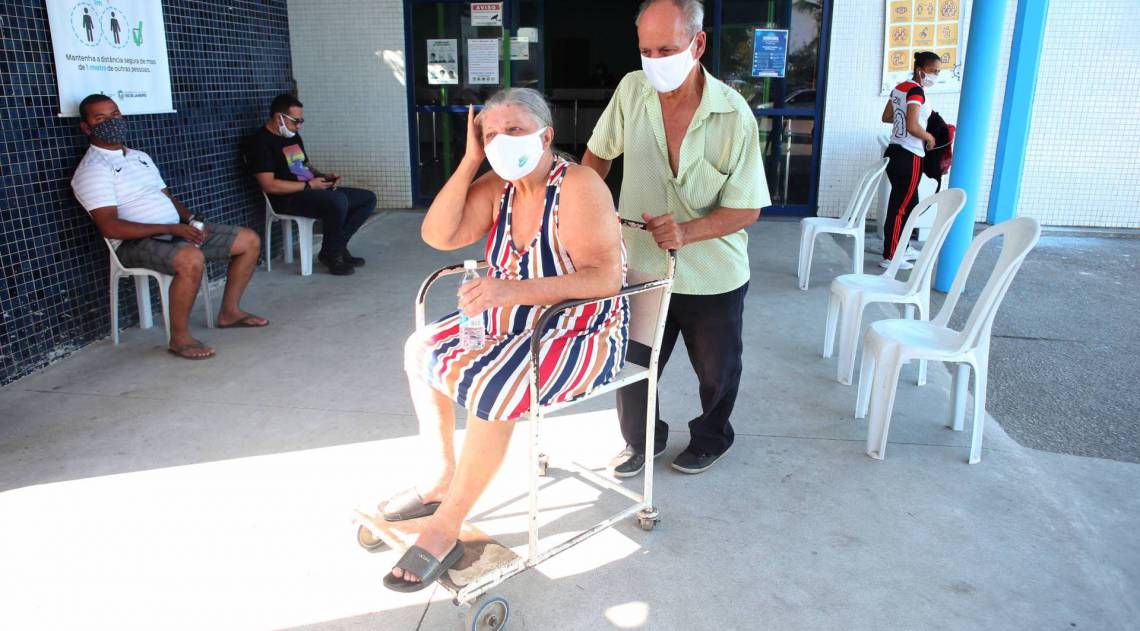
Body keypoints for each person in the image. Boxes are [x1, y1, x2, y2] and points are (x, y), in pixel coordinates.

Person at [383, 88, 628, 591]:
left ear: (547, 135)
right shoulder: (499, 186)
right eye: (491, 133)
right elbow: (438, 234)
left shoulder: (578, 185)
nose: (501, 142)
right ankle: (441, 478)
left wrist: (510, 291)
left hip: (582, 331)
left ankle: (444, 528)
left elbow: (605, 277)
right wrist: (472, 160)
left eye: (514, 130)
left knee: (494, 391)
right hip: (512, 321)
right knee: (420, 349)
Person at [583, 0, 769, 476]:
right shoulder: (632, 90)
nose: (654, 61)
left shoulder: (733, 114)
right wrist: (588, 213)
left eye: (666, 48)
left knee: (717, 371)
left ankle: (711, 437)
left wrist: (688, 231)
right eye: (646, 49)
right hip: (641, 263)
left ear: (698, 43)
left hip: (713, 273)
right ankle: (641, 441)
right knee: (632, 363)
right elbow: (597, 157)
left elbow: (747, 207)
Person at [70, 94, 268, 360]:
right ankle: (180, 338)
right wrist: (172, 230)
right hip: (133, 244)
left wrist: (190, 220)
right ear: (86, 127)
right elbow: (111, 227)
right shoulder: (93, 169)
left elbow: (166, 197)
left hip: (173, 230)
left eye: (115, 115)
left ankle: (230, 312)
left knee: (248, 240)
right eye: (100, 118)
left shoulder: (139, 157)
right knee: (190, 258)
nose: (112, 122)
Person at [247, 94, 377, 276]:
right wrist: (309, 186)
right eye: (295, 121)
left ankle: (336, 247)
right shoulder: (260, 143)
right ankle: (333, 254)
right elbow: (269, 185)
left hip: (309, 189)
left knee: (367, 198)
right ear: (279, 118)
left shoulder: (293, 136)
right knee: (337, 201)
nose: (299, 125)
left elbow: (303, 166)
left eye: (301, 121)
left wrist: (322, 176)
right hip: (286, 198)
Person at [879, 51, 942, 269]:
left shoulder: (901, 87)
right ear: (920, 70)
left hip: (894, 151)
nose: (936, 75)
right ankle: (891, 256)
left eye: (938, 72)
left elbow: (887, 116)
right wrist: (929, 136)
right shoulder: (916, 91)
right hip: (909, 155)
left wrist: (903, 121)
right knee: (901, 207)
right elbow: (913, 126)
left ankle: (902, 247)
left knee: (909, 203)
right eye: (933, 71)